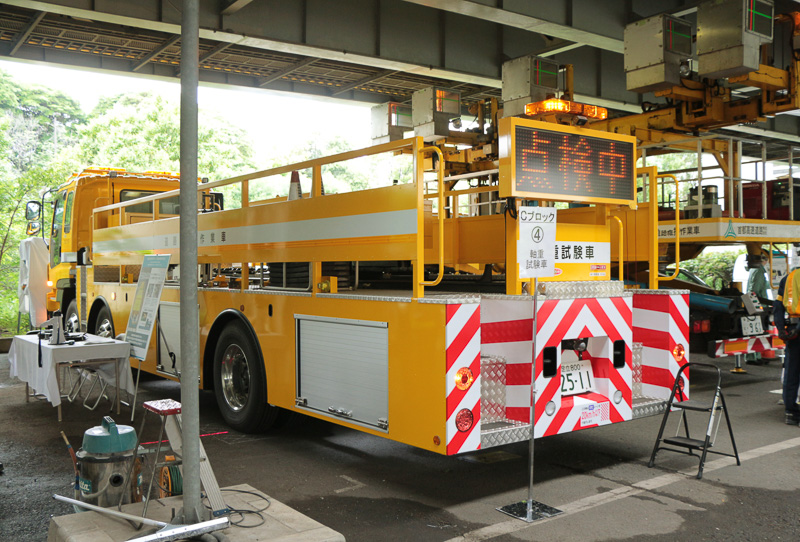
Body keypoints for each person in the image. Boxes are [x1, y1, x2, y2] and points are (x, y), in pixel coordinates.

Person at [774, 268, 800, 425]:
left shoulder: (789, 278)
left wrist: (781, 329)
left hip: (792, 330)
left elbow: (777, 306)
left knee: (791, 371)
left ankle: (790, 412)